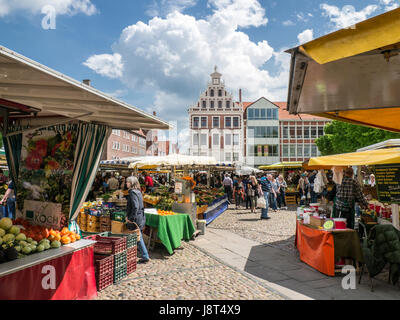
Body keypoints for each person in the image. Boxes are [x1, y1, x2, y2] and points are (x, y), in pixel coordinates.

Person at [125, 176, 150, 264]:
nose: (126, 183)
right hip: (140, 217)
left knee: (136, 236)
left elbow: (135, 206)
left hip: (136, 218)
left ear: (131, 183)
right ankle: (142, 255)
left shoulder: (132, 192)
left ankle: (144, 255)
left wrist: (131, 218)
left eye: (127, 182)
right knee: (138, 236)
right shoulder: (138, 191)